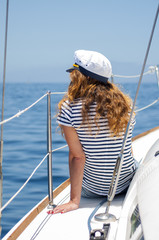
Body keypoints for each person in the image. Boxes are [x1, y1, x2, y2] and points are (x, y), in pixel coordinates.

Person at [53, 50, 136, 214]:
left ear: (81, 77)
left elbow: (78, 157)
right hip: (125, 185)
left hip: (92, 190)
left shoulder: (68, 108)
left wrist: (74, 201)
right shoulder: (125, 106)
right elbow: (126, 146)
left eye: (74, 73)